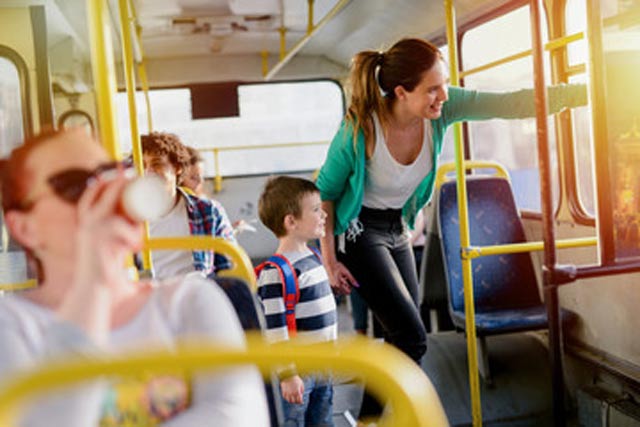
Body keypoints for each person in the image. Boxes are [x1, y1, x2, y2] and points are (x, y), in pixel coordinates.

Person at [316, 37, 587, 420]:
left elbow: (509, 104)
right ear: (401, 91)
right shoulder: (360, 129)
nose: (443, 95)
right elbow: (324, 193)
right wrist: (329, 259)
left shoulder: (442, 108)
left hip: (397, 228)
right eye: (432, 89)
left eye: (444, 84)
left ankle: (369, 419)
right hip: (359, 231)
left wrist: (582, 93)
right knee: (412, 336)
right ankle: (383, 418)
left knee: (401, 335)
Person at [0, 128, 269, 427]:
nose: (100, 197)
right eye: (74, 187)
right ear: (24, 228)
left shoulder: (190, 301)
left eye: (107, 176)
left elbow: (238, 416)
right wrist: (94, 280)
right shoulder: (11, 324)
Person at [256, 176, 337, 427]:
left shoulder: (313, 256)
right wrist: (287, 374)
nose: (323, 214)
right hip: (299, 371)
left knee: (323, 421)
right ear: (291, 222)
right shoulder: (275, 272)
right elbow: (275, 330)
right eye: (315, 210)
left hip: (325, 364)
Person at [141, 132, 235, 279]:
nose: (148, 172)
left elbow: (231, 270)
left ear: (177, 168)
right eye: (142, 166)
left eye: (157, 164)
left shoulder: (208, 212)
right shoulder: (127, 220)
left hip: (197, 296)